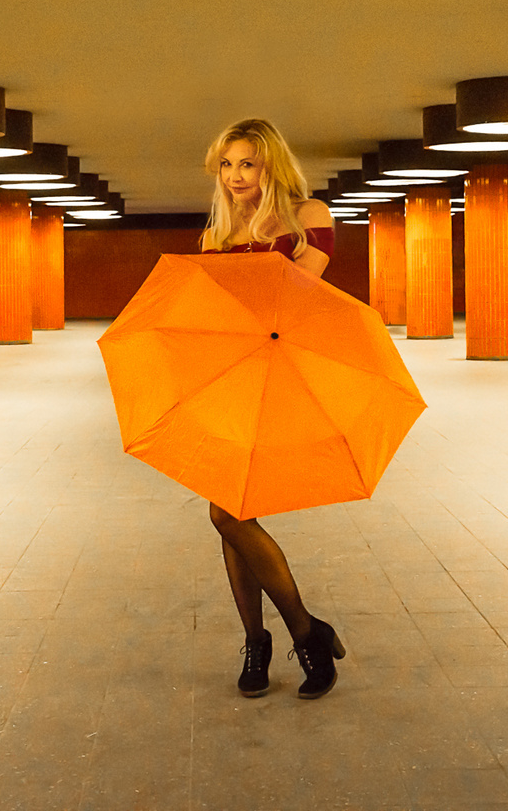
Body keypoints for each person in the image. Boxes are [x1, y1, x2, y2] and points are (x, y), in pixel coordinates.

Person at [199, 118, 346, 700]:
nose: (235, 176)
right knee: (228, 512)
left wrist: (246, 285)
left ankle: (303, 631)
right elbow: (215, 313)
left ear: (270, 165)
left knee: (229, 514)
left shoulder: (309, 218)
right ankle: (261, 642)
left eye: (247, 163)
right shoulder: (215, 234)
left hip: (284, 370)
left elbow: (297, 297)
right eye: (227, 164)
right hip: (231, 373)